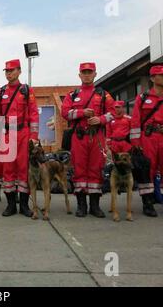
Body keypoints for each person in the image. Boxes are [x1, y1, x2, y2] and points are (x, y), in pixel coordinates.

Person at [0, 59, 39, 217]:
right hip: (6, 134)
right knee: (8, 169)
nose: (9, 73)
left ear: (19, 71)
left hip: (23, 133)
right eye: (6, 71)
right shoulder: (0, 92)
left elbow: (33, 113)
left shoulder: (26, 90)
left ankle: (24, 205)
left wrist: (34, 136)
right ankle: (10, 205)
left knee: (23, 169)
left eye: (12, 70)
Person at [62, 62, 115, 218]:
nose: (86, 75)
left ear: (95, 74)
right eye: (83, 72)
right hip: (78, 137)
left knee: (96, 169)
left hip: (96, 136)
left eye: (89, 72)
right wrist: (81, 113)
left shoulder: (104, 94)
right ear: (79, 75)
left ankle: (95, 206)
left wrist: (100, 119)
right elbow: (65, 113)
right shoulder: (72, 95)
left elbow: (112, 113)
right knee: (79, 170)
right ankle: (81, 205)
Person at [130, 65, 163, 217]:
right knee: (147, 171)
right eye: (160, 75)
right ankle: (148, 204)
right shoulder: (143, 98)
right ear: (152, 78)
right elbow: (135, 121)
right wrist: (136, 143)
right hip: (148, 138)